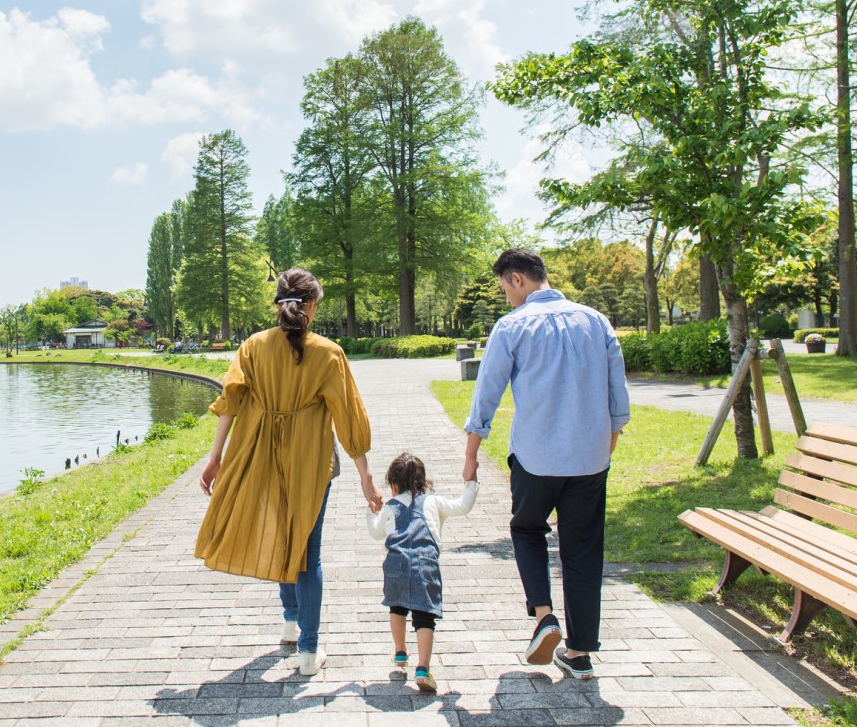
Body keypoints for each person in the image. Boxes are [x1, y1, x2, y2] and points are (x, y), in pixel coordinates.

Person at [195, 267, 381, 676]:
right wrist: (366, 476)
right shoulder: (328, 353)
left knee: (282, 535)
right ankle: (309, 652)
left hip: (261, 452)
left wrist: (216, 456)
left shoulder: (253, 346)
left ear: (278, 303)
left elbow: (231, 401)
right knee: (307, 551)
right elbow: (349, 418)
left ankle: (291, 622)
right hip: (312, 461)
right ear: (313, 304)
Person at [463, 248, 629, 681]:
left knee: (526, 529)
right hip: (590, 460)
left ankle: (543, 616)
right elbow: (618, 400)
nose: (506, 299)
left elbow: (487, 396)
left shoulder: (513, 326)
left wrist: (470, 456)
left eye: (505, 289)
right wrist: (602, 452)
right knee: (583, 548)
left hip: (536, 459)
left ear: (517, 279)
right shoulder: (596, 321)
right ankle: (579, 653)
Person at [366, 453, 478, 693]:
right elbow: (463, 505)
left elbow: (376, 533)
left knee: (396, 606)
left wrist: (372, 511)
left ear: (393, 484)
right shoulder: (433, 502)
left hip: (395, 564)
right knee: (424, 617)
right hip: (425, 564)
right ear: (422, 481)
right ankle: (423, 668)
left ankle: (400, 650)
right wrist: (472, 482)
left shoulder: (390, 507)